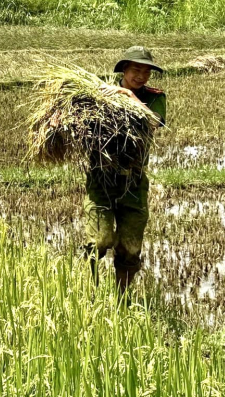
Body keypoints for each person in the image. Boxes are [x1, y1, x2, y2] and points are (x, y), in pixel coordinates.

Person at [85, 46, 167, 293]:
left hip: (134, 181)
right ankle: (89, 290)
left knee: (130, 248)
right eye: (136, 69)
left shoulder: (155, 97)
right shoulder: (100, 92)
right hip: (102, 178)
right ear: (124, 69)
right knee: (99, 241)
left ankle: (122, 298)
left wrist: (126, 95)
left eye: (146, 71)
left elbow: (152, 122)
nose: (141, 76)